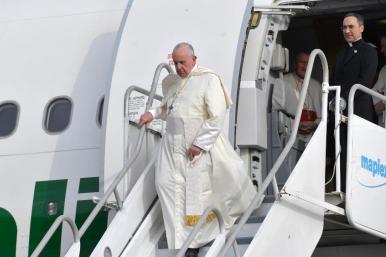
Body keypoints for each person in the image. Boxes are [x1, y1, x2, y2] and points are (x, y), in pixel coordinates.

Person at [139, 42, 256, 257]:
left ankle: (196, 243)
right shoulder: (175, 84)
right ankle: (181, 242)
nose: (179, 67)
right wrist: (152, 114)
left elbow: (217, 115)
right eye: (175, 63)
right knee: (165, 185)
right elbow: (167, 107)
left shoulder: (208, 79)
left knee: (196, 196)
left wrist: (200, 144)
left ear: (194, 59)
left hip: (195, 145)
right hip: (171, 146)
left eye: (183, 62)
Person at [331, 13, 378, 192]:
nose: (347, 31)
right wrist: (332, 101)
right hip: (341, 113)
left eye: (351, 27)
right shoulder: (341, 53)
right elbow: (335, 80)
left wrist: (340, 98)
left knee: (360, 156)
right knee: (342, 154)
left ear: (361, 28)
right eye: (344, 27)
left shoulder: (369, 51)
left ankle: (359, 192)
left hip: (359, 111)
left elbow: (364, 81)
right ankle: (343, 190)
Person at [272, 51, 322, 169]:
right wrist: (295, 124)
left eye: (308, 63)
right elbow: (276, 112)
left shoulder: (317, 86)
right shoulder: (283, 81)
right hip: (290, 137)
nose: (305, 66)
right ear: (295, 64)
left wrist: (315, 124)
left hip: (312, 138)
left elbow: (324, 117)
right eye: (302, 62)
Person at [372, 35, 386, 126]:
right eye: (382, 46)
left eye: (385, 45)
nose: (382, 50)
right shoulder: (384, 70)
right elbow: (373, 93)